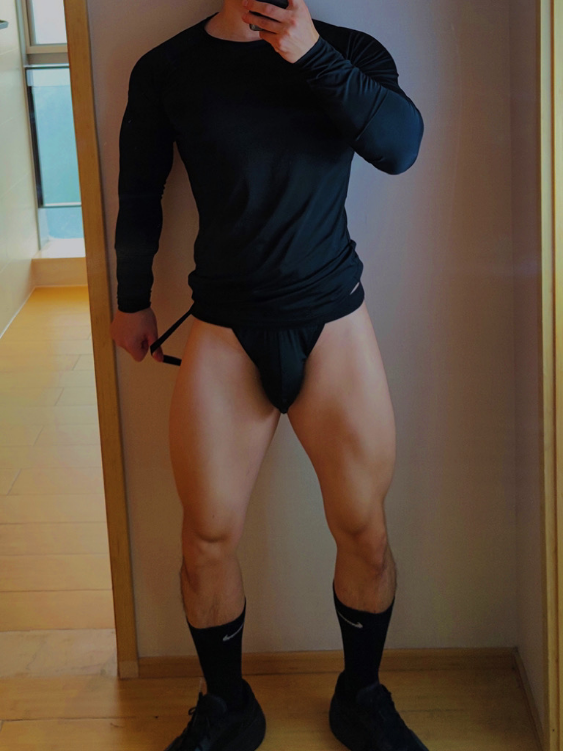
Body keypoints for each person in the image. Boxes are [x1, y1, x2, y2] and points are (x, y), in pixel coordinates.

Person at [109, 0, 426, 749]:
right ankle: (227, 706)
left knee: (365, 530)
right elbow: (139, 191)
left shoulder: (350, 51)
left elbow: (400, 148)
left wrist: (310, 54)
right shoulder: (167, 69)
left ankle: (361, 697)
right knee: (205, 538)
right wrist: (130, 298)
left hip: (332, 323)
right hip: (223, 330)